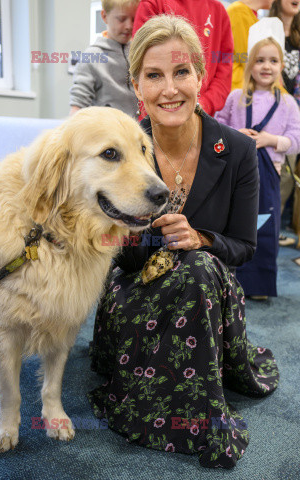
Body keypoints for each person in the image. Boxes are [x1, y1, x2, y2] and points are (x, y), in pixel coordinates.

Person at [88, 15, 279, 469]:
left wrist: (199, 238)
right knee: (190, 269)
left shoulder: (236, 151)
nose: (169, 89)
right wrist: (147, 235)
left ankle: (188, 409)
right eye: (153, 75)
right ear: (136, 85)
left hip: (209, 289)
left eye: (180, 72)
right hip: (136, 287)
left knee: (199, 267)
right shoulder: (119, 151)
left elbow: (243, 247)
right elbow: (113, 252)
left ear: (200, 75)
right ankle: (200, 415)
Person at [215, 17, 300, 299]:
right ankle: (228, 279)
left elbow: (296, 139)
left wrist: (270, 140)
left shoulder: (288, 104)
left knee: (265, 228)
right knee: (235, 224)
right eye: (260, 60)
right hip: (238, 174)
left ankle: (260, 285)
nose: (266, 66)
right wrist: (235, 133)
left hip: (271, 175)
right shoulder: (236, 97)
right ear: (250, 64)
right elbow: (217, 127)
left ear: (281, 66)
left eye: (273, 61)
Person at [131, 0, 234, 117]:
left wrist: (203, 105)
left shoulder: (218, 10)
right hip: (155, 118)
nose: (170, 91)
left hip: (201, 118)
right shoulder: (153, 3)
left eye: (182, 72)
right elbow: (142, 64)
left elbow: (224, 70)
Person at [69, 0, 139, 117]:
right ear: (104, 16)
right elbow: (77, 106)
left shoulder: (138, 53)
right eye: (121, 19)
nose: (129, 26)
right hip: (107, 130)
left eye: (134, 19)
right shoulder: (91, 57)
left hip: (138, 129)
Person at [269, 0, 300, 242]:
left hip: (296, 110)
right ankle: (268, 227)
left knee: (290, 174)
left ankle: (277, 226)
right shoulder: (266, 28)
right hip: (274, 108)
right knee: (277, 171)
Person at [227, 0, 275, 90]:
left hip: (248, 86)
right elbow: (249, 59)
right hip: (241, 89)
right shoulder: (238, 11)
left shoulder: (249, 14)